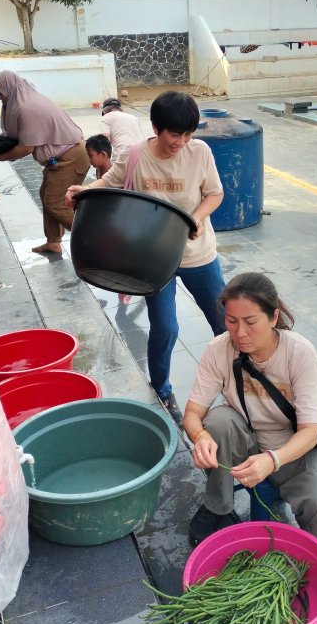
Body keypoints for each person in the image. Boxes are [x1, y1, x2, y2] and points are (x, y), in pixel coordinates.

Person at [67, 91, 225, 424]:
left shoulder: (200, 153)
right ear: (155, 127)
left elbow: (215, 192)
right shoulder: (137, 154)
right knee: (165, 327)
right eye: (174, 133)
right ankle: (162, 389)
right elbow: (110, 181)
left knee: (224, 323)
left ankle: (240, 381)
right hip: (154, 261)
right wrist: (83, 191)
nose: (181, 141)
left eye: (187, 134)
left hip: (199, 254)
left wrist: (196, 217)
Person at [182, 272, 317, 547]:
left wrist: (273, 460)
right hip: (247, 439)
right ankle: (218, 506)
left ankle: (313, 548)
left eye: (250, 322)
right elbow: (193, 413)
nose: (240, 332)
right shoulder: (219, 350)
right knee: (218, 421)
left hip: (294, 447)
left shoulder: (299, 353)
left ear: (273, 317)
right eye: (231, 321)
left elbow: (310, 431)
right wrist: (200, 438)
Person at [0, 70, 90, 255]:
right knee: (46, 195)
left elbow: (26, 147)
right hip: (64, 156)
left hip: (71, 156)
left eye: (0, 92)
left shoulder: (27, 108)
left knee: (56, 203)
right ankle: (53, 242)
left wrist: (2, 157)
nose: (0, 97)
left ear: (9, 89)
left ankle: (93, 240)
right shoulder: (26, 101)